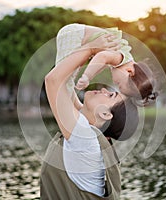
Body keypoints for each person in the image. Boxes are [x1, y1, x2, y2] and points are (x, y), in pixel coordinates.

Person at [40, 31, 139, 199]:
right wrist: (93, 48)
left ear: (106, 115)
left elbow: (53, 80)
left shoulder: (85, 139)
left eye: (110, 95)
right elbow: (64, 80)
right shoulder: (89, 132)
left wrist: (92, 49)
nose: (103, 89)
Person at [56, 23, 157, 106]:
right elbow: (102, 57)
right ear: (129, 72)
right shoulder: (120, 58)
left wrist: (90, 76)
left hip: (74, 33)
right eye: (118, 83)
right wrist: (87, 76)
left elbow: (100, 64)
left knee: (66, 78)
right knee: (63, 78)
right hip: (74, 36)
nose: (114, 81)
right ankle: (75, 107)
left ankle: (76, 106)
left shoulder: (123, 58)